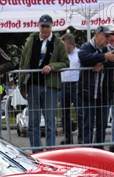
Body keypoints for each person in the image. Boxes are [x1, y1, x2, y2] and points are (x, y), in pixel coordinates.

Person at [19, 14, 69, 151]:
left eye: (47, 26)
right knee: (33, 120)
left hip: (50, 86)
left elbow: (66, 62)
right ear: (39, 26)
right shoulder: (31, 41)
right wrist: (21, 82)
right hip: (33, 84)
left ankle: (51, 149)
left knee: (50, 120)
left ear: (51, 27)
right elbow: (23, 61)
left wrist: (52, 66)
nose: (45, 29)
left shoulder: (58, 43)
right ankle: (36, 150)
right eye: (43, 26)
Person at [77, 25, 114, 148]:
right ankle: (86, 149)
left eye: (110, 36)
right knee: (88, 124)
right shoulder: (87, 46)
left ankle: (99, 149)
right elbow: (84, 57)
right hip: (88, 93)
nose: (108, 39)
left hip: (104, 93)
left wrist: (103, 65)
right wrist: (104, 57)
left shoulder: (108, 48)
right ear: (97, 35)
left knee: (102, 124)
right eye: (106, 36)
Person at [59, 33, 80, 145]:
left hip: (76, 84)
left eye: (64, 44)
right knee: (64, 112)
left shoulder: (79, 53)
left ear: (70, 43)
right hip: (63, 84)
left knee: (79, 111)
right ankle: (68, 137)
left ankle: (81, 137)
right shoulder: (61, 55)